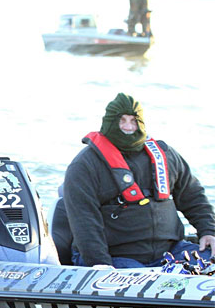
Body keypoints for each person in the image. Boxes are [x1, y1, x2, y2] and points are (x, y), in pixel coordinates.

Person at [63, 93, 215, 268]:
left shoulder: (166, 155)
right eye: (122, 120)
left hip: (170, 251)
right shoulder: (84, 165)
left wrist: (208, 231)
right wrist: (100, 264)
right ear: (109, 122)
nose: (128, 126)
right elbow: (84, 221)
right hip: (115, 257)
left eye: (134, 120)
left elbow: (193, 195)